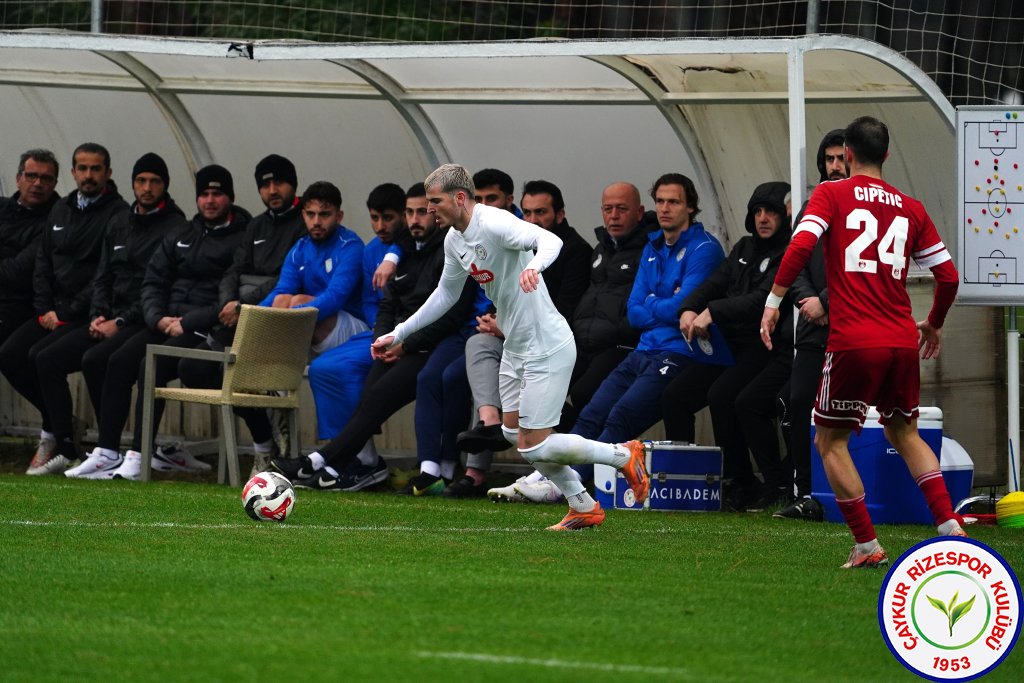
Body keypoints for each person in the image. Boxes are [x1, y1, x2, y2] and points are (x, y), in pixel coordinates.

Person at [373, 164, 649, 530]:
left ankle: (621, 454)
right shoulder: (455, 240)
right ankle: (583, 505)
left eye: (435, 202)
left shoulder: (494, 222)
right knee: (511, 434)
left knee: (534, 445)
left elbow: (552, 242)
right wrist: (400, 332)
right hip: (516, 347)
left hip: (546, 344)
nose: (429, 210)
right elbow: (446, 295)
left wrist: (534, 267)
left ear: (459, 198)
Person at [759, 115, 965, 569]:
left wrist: (775, 301)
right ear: (886, 155)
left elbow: (799, 247)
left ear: (847, 154)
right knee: (904, 430)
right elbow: (947, 276)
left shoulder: (830, 194)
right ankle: (950, 525)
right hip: (900, 340)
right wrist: (932, 322)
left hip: (853, 341)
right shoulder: (911, 208)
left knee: (829, 442)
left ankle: (867, 546)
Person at [271, 180, 479, 492]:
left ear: (438, 213)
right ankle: (343, 464)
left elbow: (452, 314)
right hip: (400, 343)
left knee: (375, 397)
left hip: (428, 348)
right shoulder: (403, 250)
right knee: (368, 401)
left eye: (422, 212)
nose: (414, 219)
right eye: (409, 212)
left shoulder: (452, 250)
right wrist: (385, 338)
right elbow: (387, 302)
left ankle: (319, 461)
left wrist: (405, 343)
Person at [486, 181, 653, 503]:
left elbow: (556, 259)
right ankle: (573, 492)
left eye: (622, 208)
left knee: (562, 413)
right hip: (568, 340)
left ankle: (606, 463)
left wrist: (534, 267)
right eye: (608, 208)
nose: (614, 215)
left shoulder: (580, 248)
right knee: (516, 431)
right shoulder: (602, 249)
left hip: (602, 343)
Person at [34, 153, 188, 478]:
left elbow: (155, 285)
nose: (147, 188)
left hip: (144, 319)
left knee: (109, 361)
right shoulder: (121, 222)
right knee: (56, 358)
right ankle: (96, 448)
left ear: (165, 185)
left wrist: (119, 322)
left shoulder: (174, 226)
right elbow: (102, 275)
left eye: (155, 181)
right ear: (133, 183)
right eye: (142, 181)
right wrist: (97, 314)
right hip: (108, 318)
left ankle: (114, 449)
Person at [97, 165, 251, 480]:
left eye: (217, 194)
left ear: (230, 198)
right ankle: (109, 452)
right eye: (204, 194)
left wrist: (187, 321)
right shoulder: (182, 232)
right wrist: (159, 318)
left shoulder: (242, 237)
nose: (210, 201)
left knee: (150, 366)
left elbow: (228, 295)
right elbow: (153, 280)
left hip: (207, 326)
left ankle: (140, 454)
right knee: (117, 359)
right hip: (168, 322)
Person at [450, 179, 591, 498]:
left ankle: (564, 474)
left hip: (553, 342)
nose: (532, 220)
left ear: (560, 214)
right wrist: (495, 320)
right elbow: (495, 292)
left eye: (541, 212)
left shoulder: (574, 250)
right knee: (475, 347)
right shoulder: (510, 238)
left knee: (453, 373)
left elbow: (564, 310)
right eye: (527, 212)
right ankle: (487, 428)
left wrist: (506, 324)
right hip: (516, 339)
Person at [0, 143, 130, 475]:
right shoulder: (65, 209)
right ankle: (60, 431)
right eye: (82, 169)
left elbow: (102, 273)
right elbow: (44, 261)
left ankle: (65, 445)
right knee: (13, 353)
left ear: (108, 173)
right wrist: (45, 307)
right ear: (73, 173)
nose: (88, 175)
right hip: (51, 310)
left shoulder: (117, 214)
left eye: (95, 169)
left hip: (87, 313)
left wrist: (67, 312)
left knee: (45, 358)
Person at [669, 181, 794, 512]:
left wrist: (714, 312)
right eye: (758, 212)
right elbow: (715, 283)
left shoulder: (790, 253)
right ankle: (687, 481)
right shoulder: (743, 248)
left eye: (772, 212)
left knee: (727, 396)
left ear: (786, 216)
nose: (763, 219)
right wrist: (689, 309)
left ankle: (761, 481)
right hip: (727, 346)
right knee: (676, 394)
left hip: (762, 346)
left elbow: (761, 301)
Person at [177, 154, 306, 473]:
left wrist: (243, 307)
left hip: (274, 316)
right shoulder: (258, 224)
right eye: (265, 184)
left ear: (293, 184)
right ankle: (265, 426)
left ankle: (263, 446)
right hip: (240, 313)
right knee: (192, 368)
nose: (272, 190)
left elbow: (286, 279)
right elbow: (234, 269)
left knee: (237, 371)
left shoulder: (307, 222)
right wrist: (228, 302)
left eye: (279, 182)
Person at [774, 129, 847, 522]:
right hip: (813, 328)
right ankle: (802, 492)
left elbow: (864, 270)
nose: (834, 167)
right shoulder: (810, 207)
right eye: (829, 159)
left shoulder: (863, 210)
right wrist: (807, 300)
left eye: (841, 159)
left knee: (845, 413)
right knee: (798, 403)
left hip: (850, 328)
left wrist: (829, 301)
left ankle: (844, 494)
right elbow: (795, 258)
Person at [305, 183, 410, 457]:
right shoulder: (371, 250)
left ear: (405, 215)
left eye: (388, 218)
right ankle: (358, 457)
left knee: (347, 370)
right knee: (322, 368)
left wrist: (398, 334)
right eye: (374, 218)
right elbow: (368, 301)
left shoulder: (418, 247)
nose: (380, 226)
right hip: (380, 333)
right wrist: (381, 331)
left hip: (414, 336)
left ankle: (359, 461)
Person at [0, 150, 60, 348]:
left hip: (18, 307)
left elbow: (19, 272)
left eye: (45, 178)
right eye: (31, 176)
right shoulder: (3, 208)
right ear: (18, 179)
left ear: (54, 184)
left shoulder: (55, 221)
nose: (37, 183)